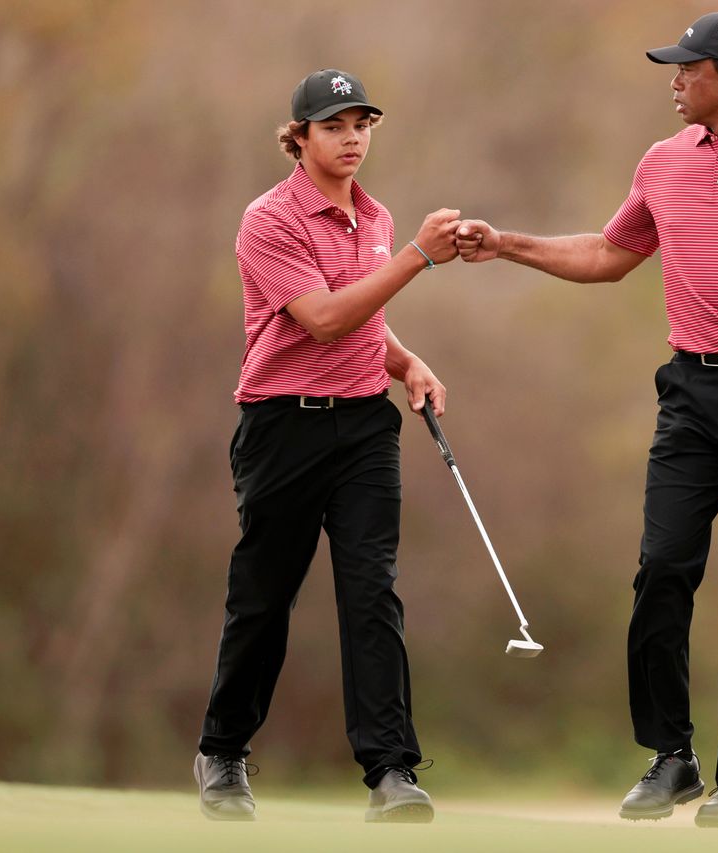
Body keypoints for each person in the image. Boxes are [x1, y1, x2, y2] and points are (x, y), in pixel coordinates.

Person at [455, 12, 718, 828]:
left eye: (686, 69)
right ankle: (671, 755)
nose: (674, 80)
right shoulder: (662, 163)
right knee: (662, 567)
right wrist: (504, 243)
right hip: (690, 392)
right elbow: (610, 256)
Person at [193, 68, 461, 823]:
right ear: (299, 136)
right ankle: (222, 750)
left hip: (363, 428)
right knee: (264, 597)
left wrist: (407, 363)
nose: (352, 138)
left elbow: (366, 324)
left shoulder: (374, 218)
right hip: (282, 425)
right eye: (336, 125)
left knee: (371, 591)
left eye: (363, 123)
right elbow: (324, 319)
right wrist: (418, 256)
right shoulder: (268, 219)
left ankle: (391, 771)